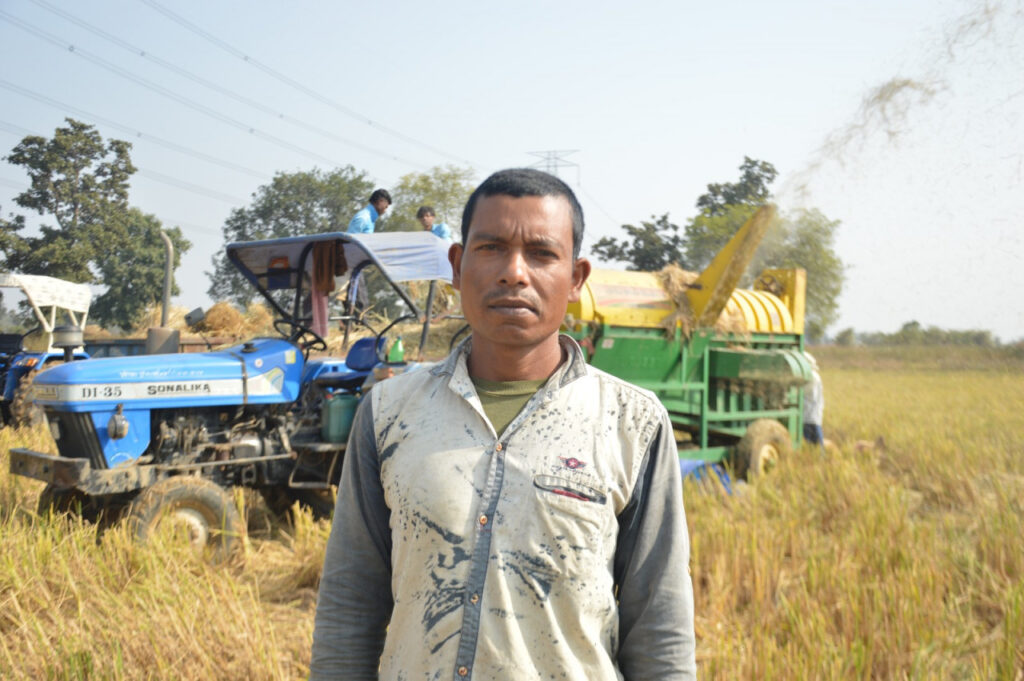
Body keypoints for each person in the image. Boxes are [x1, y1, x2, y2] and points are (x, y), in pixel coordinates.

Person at [310, 168, 696, 680]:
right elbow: (349, 603)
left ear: (576, 278)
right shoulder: (387, 414)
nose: (514, 272)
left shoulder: (633, 423)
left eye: (541, 253)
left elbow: (660, 627)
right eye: (491, 248)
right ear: (457, 265)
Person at [803, 351, 826, 454]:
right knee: (812, 444)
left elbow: (802, 391)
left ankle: (819, 457)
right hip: (809, 416)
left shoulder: (812, 377)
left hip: (810, 416)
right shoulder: (812, 376)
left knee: (814, 444)